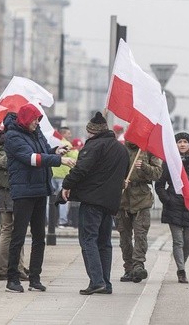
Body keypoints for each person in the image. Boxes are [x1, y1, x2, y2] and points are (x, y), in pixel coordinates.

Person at [4, 103, 75, 293]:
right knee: (18, 236)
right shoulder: (13, 137)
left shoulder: (36, 133)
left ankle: (35, 277)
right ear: (27, 119)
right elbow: (32, 159)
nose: (37, 122)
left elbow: (43, 152)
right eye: (35, 119)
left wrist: (55, 151)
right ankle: (12, 278)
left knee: (39, 237)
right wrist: (59, 160)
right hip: (23, 192)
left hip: (40, 190)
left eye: (38, 119)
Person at [61, 112, 130, 295]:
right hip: (110, 203)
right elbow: (124, 175)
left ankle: (96, 281)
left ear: (92, 132)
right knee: (104, 242)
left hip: (92, 200)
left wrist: (67, 185)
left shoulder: (93, 146)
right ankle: (106, 284)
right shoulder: (121, 149)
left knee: (88, 239)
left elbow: (81, 169)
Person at [155, 132, 189, 283]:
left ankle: (181, 263)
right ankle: (181, 270)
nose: (183, 144)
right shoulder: (169, 162)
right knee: (178, 241)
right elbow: (159, 185)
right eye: (179, 142)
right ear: (175, 144)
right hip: (174, 206)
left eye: (185, 142)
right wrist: (167, 199)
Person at [0, 115, 28, 282]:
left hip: (2, 191)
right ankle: (17, 268)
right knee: (19, 230)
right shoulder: (15, 141)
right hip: (17, 190)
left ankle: (3, 269)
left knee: (5, 230)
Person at [117, 140, 162, 283]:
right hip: (122, 198)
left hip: (141, 198)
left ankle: (138, 265)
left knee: (140, 234)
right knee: (124, 236)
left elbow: (157, 173)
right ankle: (128, 268)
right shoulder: (120, 149)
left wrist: (144, 166)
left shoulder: (148, 150)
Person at [51, 126, 78, 227]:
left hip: (52, 173)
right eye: (68, 133)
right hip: (63, 175)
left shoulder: (53, 142)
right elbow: (75, 157)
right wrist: (75, 150)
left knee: (50, 199)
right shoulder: (66, 144)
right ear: (63, 134)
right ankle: (62, 220)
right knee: (63, 198)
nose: (70, 135)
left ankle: (50, 221)